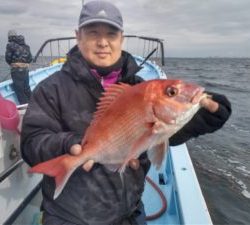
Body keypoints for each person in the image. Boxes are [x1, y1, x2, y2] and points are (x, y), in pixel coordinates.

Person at [21, 1, 231, 225]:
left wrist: (203, 116)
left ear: (121, 39)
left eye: (111, 34)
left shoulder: (140, 87)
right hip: (71, 216)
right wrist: (71, 145)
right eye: (93, 34)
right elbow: (32, 143)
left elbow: (167, 132)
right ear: (78, 36)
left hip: (128, 212)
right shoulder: (51, 89)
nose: (103, 42)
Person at [5, 30, 32, 104]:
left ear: (9, 37)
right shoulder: (26, 46)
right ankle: (34, 104)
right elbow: (30, 59)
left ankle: (25, 108)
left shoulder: (10, 45)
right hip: (26, 70)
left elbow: (8, 58)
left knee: (19, 91)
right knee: (27, 88)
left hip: (16, 71)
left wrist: (14, 64)